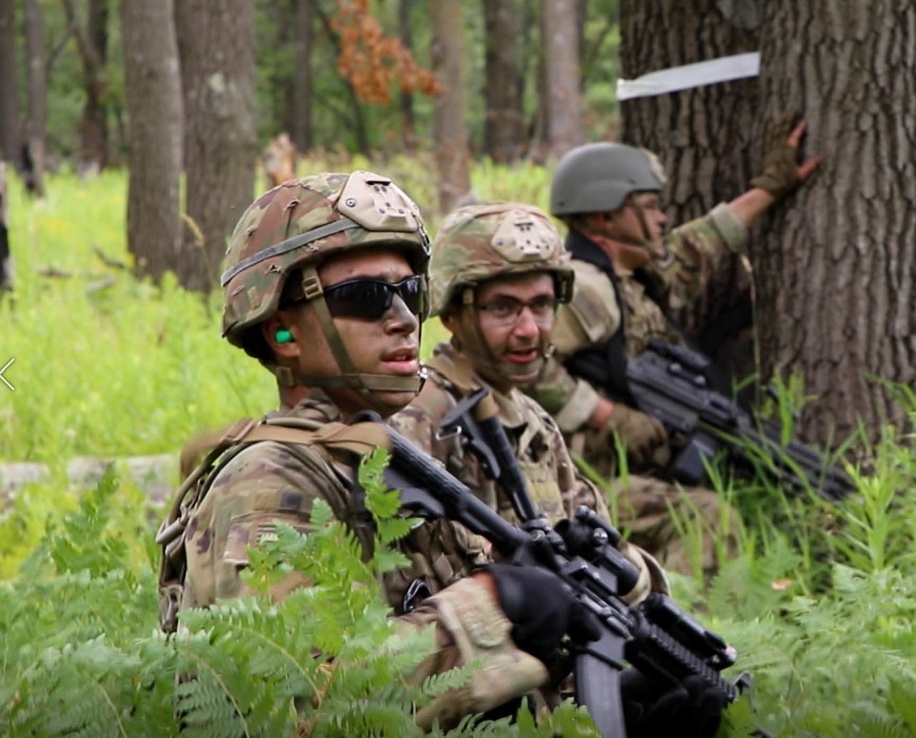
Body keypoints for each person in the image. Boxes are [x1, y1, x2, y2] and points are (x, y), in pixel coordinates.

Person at [156, 171, 598, 731]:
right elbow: (311, 704)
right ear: (281, 330)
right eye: (364, 298)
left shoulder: (385, 460)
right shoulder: (267, 484)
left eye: (411, 291)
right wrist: (492, 604)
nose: (404, 318)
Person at [527, 117, 821, 577]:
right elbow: (526, 364)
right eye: (648, 205)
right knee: (706, 516)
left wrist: (771, 187)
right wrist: (603, 414)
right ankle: (680, 635)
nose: (663, 216)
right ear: (604, 217)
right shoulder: (585, 289)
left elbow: (697, 245)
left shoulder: (631, 280)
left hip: (622, 474)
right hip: (578, 483)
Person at [390, 201, 669, 602]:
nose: (528, 329)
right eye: (502, 308)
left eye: (541, 305)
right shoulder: (421, 417)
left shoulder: (534, 420)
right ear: (452, 315)